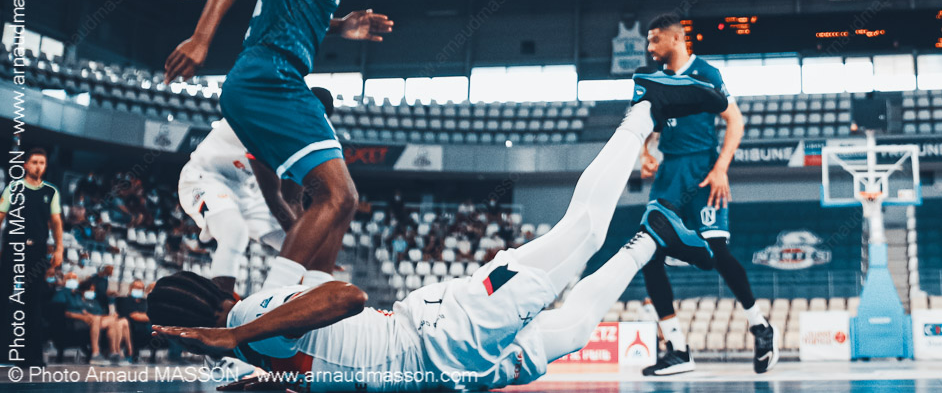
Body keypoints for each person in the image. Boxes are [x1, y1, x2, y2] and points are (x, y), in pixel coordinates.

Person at [148, 75, 728, 391]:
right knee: (574, 328)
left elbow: (346, 296)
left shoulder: (250, 319)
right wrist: (273, 382)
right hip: (448, 363)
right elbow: (320, 357)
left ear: (192, 329)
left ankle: (645, 108)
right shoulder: (257, 340)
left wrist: (235, 336)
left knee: (584, 233)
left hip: (449, 334)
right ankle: (652, 236)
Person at [164, 0, 393, 294]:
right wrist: (200, 40)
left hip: (272, 80)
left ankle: (312, 304)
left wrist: (340, 26)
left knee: (333, 202)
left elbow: (293, 10)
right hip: (268, 78)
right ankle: (274, 306)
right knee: (339, 197)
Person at [636, 13, 774, 376]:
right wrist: (646, 152)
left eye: (654, 39)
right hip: (670, 174)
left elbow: (735, 120)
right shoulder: (654, 79)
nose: (649, 47)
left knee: (717, 252)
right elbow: (647, 124)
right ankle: (678, 350)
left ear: (676, 39)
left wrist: (721, 168)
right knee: (648, 255)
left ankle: (760, 326)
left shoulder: (706, 73)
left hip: (703, 170)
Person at [178, 87, 335, 295]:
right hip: (204, 177)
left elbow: (293, 200)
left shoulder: (303, 134)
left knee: (302, 249)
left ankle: (299, 305)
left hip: (247, 189)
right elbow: (274, 197)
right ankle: (220, 306)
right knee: (235, 232)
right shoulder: (265, 116)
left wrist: (314, 251)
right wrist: (304, 244)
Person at [0, 148, 64, 367]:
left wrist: (59, 249)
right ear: (25, 165)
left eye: (42, 162)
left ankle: (32, 356)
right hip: (13, 249)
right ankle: (5, 354)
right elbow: (1, 215)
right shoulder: (13, 187)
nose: (38, 166)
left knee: (34, 302)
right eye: (35, 162)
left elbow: (56, 222)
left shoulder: (51, 191)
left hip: (37, 252)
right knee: (7, 298)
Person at [115, 279, 154, 363]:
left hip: (145, 328)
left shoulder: (145, 302)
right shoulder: (125, 300)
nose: (138, 290)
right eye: (136, 288)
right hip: (130, 327)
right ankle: (128, 354)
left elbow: (151, 315)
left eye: (140, 288)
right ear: (131, 288)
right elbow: (134, 316)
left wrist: (144, 316)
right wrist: (145, 316)